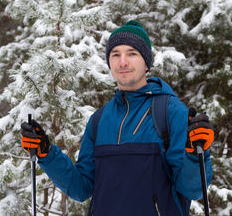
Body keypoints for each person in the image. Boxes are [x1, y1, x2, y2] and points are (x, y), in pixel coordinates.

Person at [21, 20, 214, 216]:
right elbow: (81, 188)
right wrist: (46, 154)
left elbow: (193, 190)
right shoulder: (99, 120)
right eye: (115, 55)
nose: (123, 62)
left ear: (146, 62)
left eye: (132, 54)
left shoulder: (171, 112)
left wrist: (195, 154)